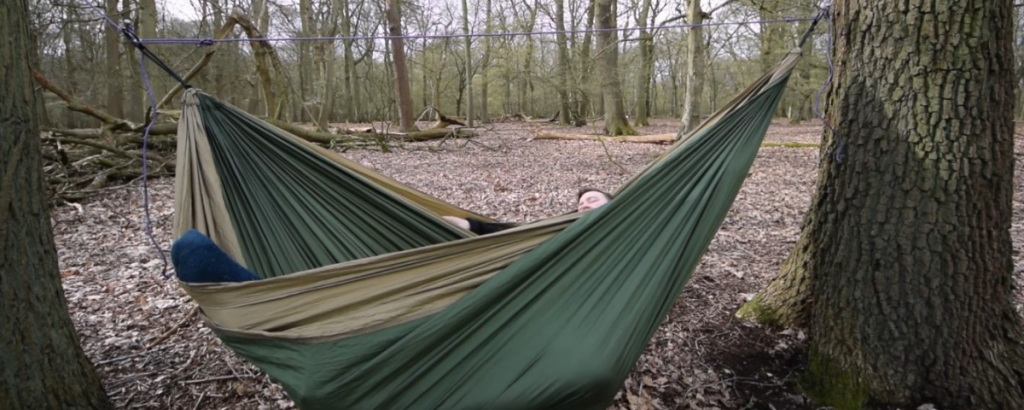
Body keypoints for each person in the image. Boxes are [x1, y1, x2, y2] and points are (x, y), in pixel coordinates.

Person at [443, 188, 615, 235]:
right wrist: (466, 224)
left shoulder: (624, 227)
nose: (584, 205)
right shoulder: (561, 228)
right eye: (581, 203)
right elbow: (514, 237)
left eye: (592, 200)